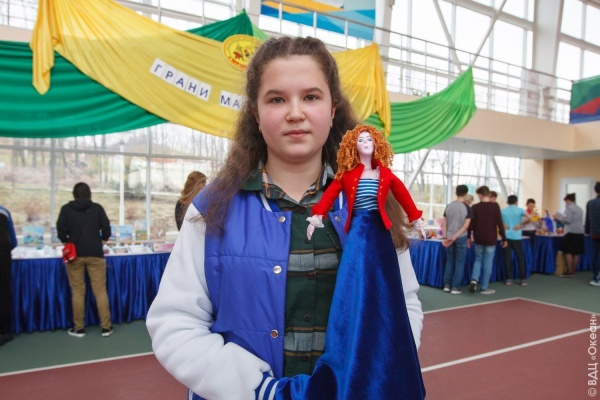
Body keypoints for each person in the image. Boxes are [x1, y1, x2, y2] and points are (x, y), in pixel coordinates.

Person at [146, 36, 425, 400]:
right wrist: (258, 390)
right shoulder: (212, 208)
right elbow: (175, 322)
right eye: (277, 99)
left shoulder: (370, 207)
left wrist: (371, 373)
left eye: (311, 97)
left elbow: (402, 306)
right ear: (256, 114)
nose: (295, 112)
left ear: (333, 109)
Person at [305, 124, 425, 398]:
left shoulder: (386, 175)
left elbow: (404, 196)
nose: (366, 142)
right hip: (358, 232)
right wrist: (317, 217)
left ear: (377, 143)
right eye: (361, 139)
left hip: (380, 233)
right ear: (353, 146)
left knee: (386, 286)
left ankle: (388, 342)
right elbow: (330, 196)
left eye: (370, 138)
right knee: (353, 280)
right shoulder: (347, 175)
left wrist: (416, 218)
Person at [56, 182, 113, 338]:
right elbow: (107, 228)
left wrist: (67, 242)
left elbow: (61, 231)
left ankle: (79, 328)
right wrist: (101, 241)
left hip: (74, 255)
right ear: (89, 193)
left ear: (74, 194)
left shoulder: (66, 209)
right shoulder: (97, 208)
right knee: (100, 291)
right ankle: (106, 327)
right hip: (95, 253)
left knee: (78, 292)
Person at [468, 185, 507, 294]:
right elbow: (500, 223)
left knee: (478, 260)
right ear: (489, 194)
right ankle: (484, 287)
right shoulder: (495, 206)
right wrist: (504, 238)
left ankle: (474, 280)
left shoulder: (475, 207)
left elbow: (471, 224)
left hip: (478, 238)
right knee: (488, 263)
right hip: (491, 239)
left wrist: (469, 237)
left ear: (480, 195)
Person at [441, 184, 472, 294]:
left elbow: (444, 223)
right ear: (466, 194)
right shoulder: (467, 208)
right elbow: (465, 226)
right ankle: (455, 287)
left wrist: (445, 237)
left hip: (449, 236)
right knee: (459, 262)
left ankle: (446, 285)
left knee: (449, 261)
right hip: (460, 237)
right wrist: (455, 237)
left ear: (456, 192)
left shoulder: (449, 206)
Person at [554, 193, 585, 277]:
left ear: (568, 200)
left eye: (565, 201)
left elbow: (568, 220)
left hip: (571, 231)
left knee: (568, 251)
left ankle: (569, 271)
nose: (565, 203)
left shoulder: (569, 208)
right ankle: (573, 270)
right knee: (576, 252)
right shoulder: (579, 208)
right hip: (580, 231)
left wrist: (558, 218)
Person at [501, 195, 527, 286]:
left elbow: (496, 219)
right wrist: (521, 224)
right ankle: (523, 279)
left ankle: (509, 279)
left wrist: (503, 224)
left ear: (507, 202)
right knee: (520, 257)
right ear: (516, 202)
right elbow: (530, 217)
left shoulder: (503, 211)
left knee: (507, 258)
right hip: (517, 236)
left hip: (506, 236)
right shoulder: (520, 210)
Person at [0, 205, 17, 346]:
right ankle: (3, 331)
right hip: (2, 256)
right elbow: (13, 241)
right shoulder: (4, 211)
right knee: (3, 292)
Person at [586, 182, 600, 286]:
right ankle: (597, 278)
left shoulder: (590, 203)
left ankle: (595, 276)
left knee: (595, 254)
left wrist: (587, 231)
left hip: (594, 233)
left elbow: (588, 220)